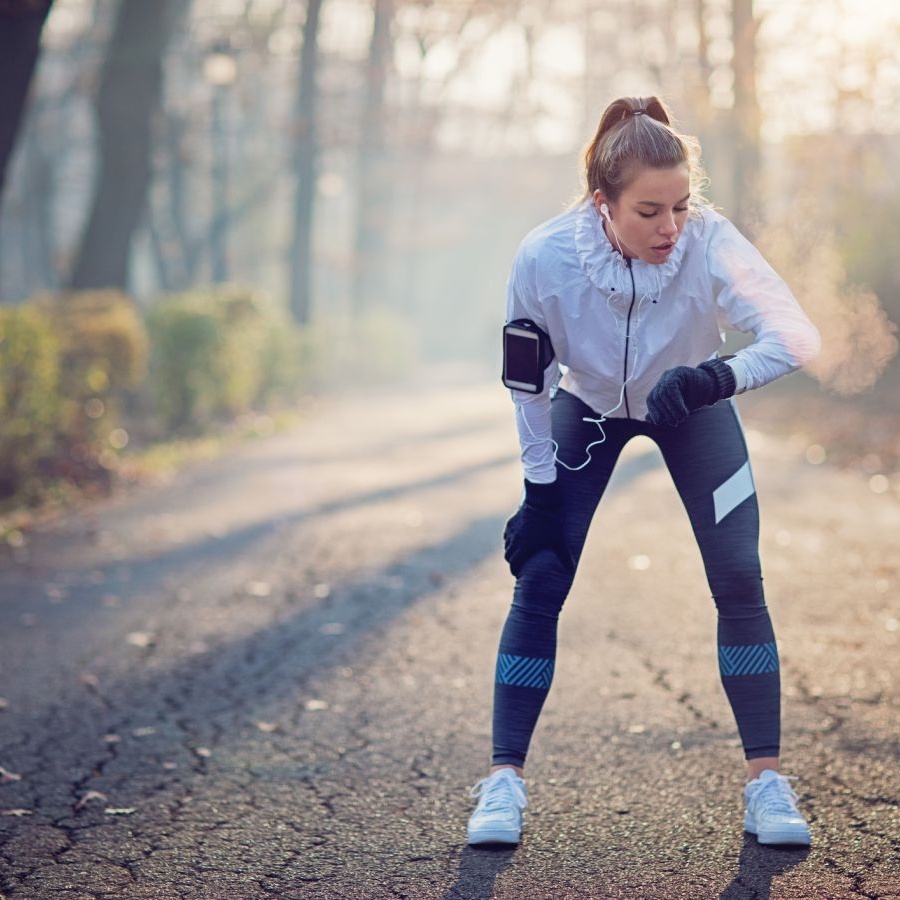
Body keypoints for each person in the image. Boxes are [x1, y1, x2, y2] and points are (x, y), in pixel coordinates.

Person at [467, 95, 820, 848]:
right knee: (541, 573)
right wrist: (538, 491)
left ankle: (767, 783)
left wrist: (715, 379)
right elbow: (528, 386)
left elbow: (796, 335)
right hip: (587, 407)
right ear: (603, 204)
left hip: (691, 403)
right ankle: (503, 783)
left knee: (738, 576)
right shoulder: (544, 257)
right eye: (650, 211)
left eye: (682, 208)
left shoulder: (710, 241)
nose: (671, 229)